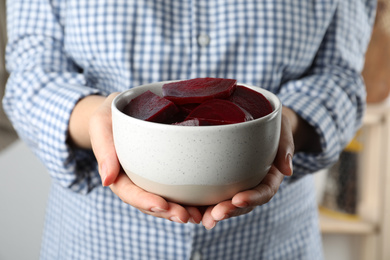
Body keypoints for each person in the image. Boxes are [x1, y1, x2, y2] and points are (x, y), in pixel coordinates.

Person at [3, 1, 376, 259]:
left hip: (271, 243)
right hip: (97, 244)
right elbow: (32, 79)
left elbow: (340, 79)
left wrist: (283, 126)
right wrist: (99, 121)